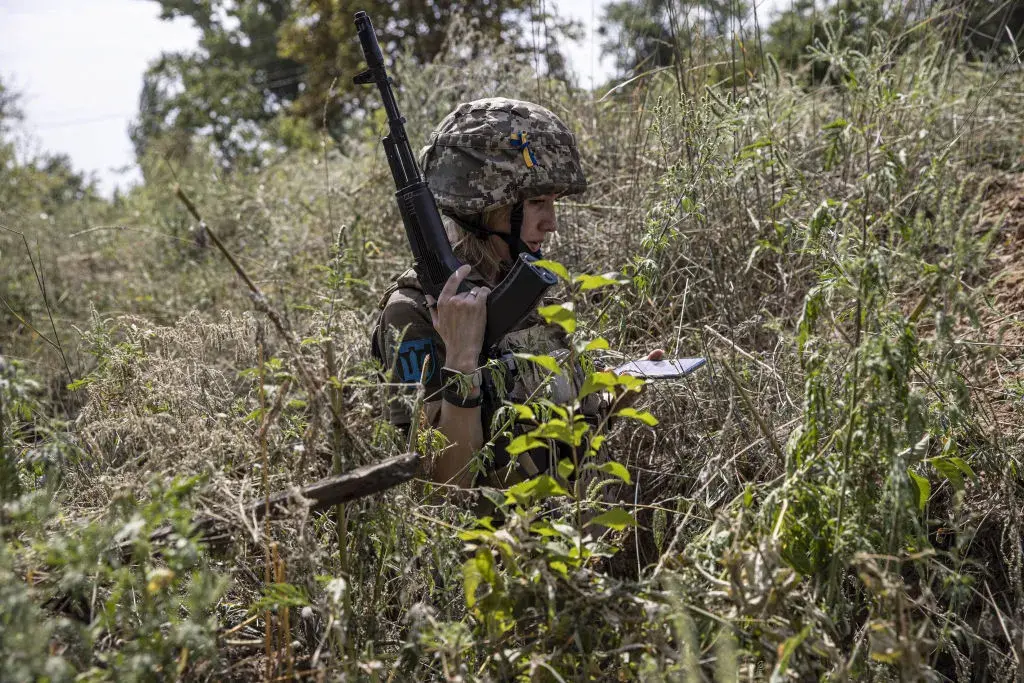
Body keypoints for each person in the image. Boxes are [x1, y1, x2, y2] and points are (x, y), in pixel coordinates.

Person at [372, 97, 660, 490]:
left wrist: (610, 398)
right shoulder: (412, 313)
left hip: (572, 535)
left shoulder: (521, 290)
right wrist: (461, 359)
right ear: (483, 206)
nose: (551, 223)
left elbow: (556, 435)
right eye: (538, 203)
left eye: (553, 203)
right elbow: (442, 486)